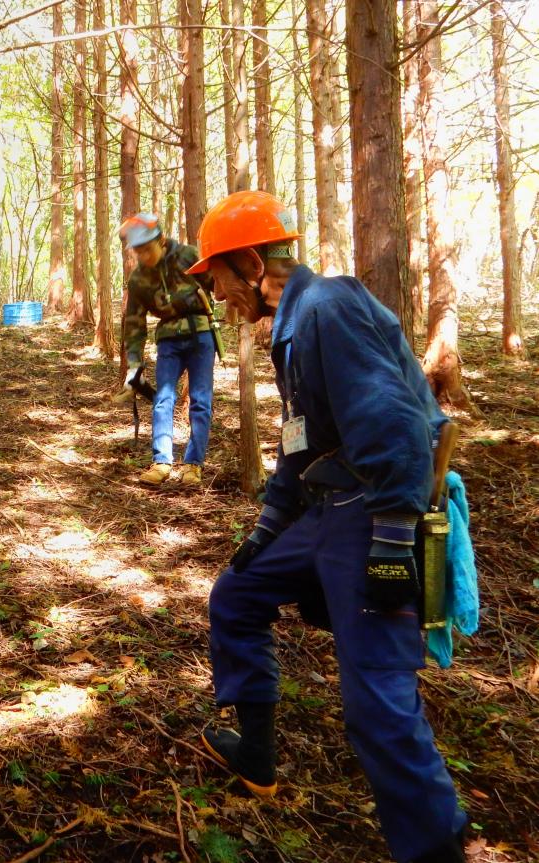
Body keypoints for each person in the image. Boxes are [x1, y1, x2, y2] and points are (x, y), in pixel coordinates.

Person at [189, 191, 467, 863]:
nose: (221, 297)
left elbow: (397, 424)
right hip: (328, 511)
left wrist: (397, 537)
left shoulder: (329, 308)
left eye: (221, 279)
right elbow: (302, 448)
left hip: (376, 513)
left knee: (376, 702)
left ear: (254, 263)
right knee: (237, 593)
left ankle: (438, 846)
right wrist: (266, 531)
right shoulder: (294, 324)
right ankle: (256, 753)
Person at [119, 213, 219, 487]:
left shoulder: (188, 256)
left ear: (161, 241)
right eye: (137, 251)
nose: (143, 256)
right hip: (168, 341)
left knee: (200, 401)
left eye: (146, 249)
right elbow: (135, 323)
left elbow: (218, 282)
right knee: (163, 399)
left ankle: (193, 465)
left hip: (200, 335)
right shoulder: (138, 279)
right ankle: (161, 461)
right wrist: (134, 363)